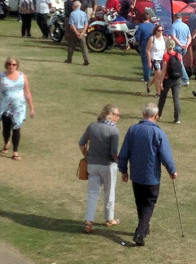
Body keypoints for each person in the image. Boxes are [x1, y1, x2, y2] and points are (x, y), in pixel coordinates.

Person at [117, 102, 177, 247]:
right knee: (149, 203)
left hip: (136, 175)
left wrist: (123, 170)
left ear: (144, 114)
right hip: (152, 176)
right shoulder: (158, 133)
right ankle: (140, 232)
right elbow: (166, 156)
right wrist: (172, 170)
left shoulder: (133, 130)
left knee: (140, 202)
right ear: (156, 116)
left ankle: (144, 228)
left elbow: (124, 153)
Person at [80, 104, 121, 234]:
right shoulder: (113, 131)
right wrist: (119, 163)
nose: (118, 117)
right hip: (107, 166)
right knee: (109, 191)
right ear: (111, 115)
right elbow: (114, 153)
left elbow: (81, 143)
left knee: (92, 193)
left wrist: (87, 156)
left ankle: (88, 222)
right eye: (117, 115)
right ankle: (109, 219)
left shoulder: (92, 126)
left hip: (92, 165)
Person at [0, 57, 35, 161]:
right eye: (9, 64)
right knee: (6, 129)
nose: (11, 66)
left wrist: (31, 107)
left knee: (16, 128)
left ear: (17, 65)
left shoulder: (22, 76)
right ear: (6, 65)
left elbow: (27, 92)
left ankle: (15, 151)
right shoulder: (1, 76)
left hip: (18, 107)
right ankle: (6, 142)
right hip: (5, 106)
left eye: (14, 64)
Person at [157, 39, 183, 123]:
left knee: (162, 97)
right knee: (176, 99)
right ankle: (177, 118)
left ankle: (159, 114)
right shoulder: (178, 55)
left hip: (168, 79)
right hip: (177, 79)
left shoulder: (166, 56)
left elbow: (164, 70)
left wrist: (161, 81)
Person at [65, 0, 90, 65]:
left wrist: (76, 33)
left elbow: (72, 25)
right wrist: (82, 33)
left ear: (74, 6)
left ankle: (69, 59)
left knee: (71, 45)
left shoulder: (72, 14)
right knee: (83, 46)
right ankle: (86, 60)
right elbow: (86, 24)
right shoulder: (84, 13)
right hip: (82, 30)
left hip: (74, 31)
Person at [134, 14, 156, 83]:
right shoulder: (152, 25)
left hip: (144, 45)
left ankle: (146, 77)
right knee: (152, 59)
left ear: (142, 19)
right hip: (152, 44)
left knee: (145, 61)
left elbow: (137, 37)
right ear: (148, 18)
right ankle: (153, 74)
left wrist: (136, 42)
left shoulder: (141, 26)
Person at [145, 24, 166, 95]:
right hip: (155, 59)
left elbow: (165, 49)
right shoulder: (152, 38)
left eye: (162, 30)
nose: (160, 32)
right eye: (159, 30)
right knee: (158, 77)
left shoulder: (164, 38)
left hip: (162, 59)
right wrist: (149, 62)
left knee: (159, 75)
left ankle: (148, 85)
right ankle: (158, 93)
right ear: (155, 31)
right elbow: (148, 50)